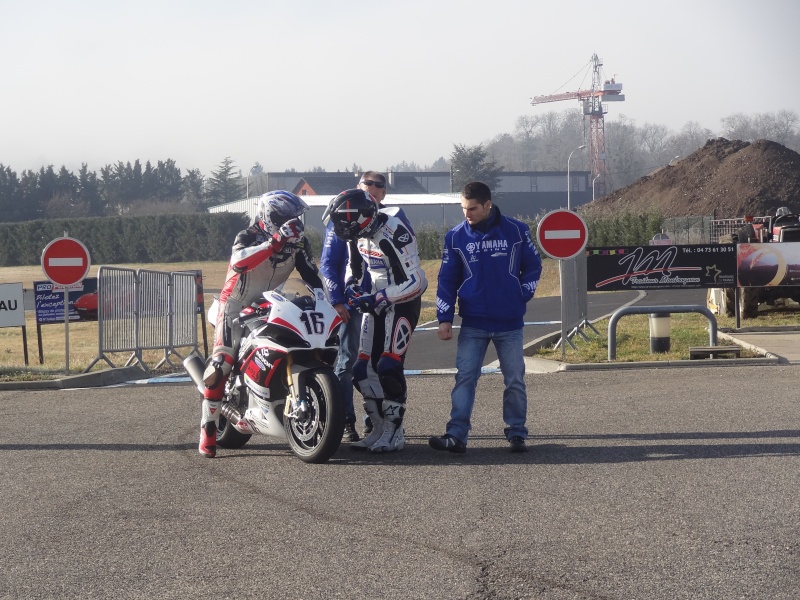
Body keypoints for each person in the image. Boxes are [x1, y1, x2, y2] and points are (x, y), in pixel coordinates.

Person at [199, 190, 323, 458]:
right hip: (233, 304)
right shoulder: (248, 236)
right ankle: (208, 427)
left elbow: (311, 274)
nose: (292, 222)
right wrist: (275, 242)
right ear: (270, 216)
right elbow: (239, 261)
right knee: (221, 365)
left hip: (269, 302)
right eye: (284, 217)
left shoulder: (299, 243)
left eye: (295, 217)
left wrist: (325, 298)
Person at [429, 181, 542, 454]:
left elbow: (534, 265)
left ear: (488, 205)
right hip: (474, 322)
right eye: (463, 208)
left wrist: (521, 294)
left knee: (514, 379)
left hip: (510, 323)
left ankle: (517, 433)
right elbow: (446, 279)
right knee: (465, 377)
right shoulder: (455, 237)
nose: (467, 213)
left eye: (473, 208)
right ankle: (456, 435)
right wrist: (444, 317)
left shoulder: (516, 230)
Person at [326, 188, 427, 453]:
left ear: (363, 218)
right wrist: (351, 284)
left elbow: (417, 282)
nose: (339, 227)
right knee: (361, 370)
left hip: (402, 302)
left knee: (388, 367)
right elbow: (354, 266)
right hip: (376, 301)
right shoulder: (357, 235)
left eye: (343, 220)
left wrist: (380, 297)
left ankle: (395, 432)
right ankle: (379, 428)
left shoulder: (393, 232)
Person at [320, 171, 391, 442]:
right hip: (351, 305)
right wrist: (337, 300)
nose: (372, 188)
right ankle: (345, 420)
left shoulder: (391, 218)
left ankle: (376, 421)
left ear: (384, 192)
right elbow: (327, 264)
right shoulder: (341, 216)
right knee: (346, 363)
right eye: (367, 184)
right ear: (357, 187)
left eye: (378, 185)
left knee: (380, 363)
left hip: (384, 302)